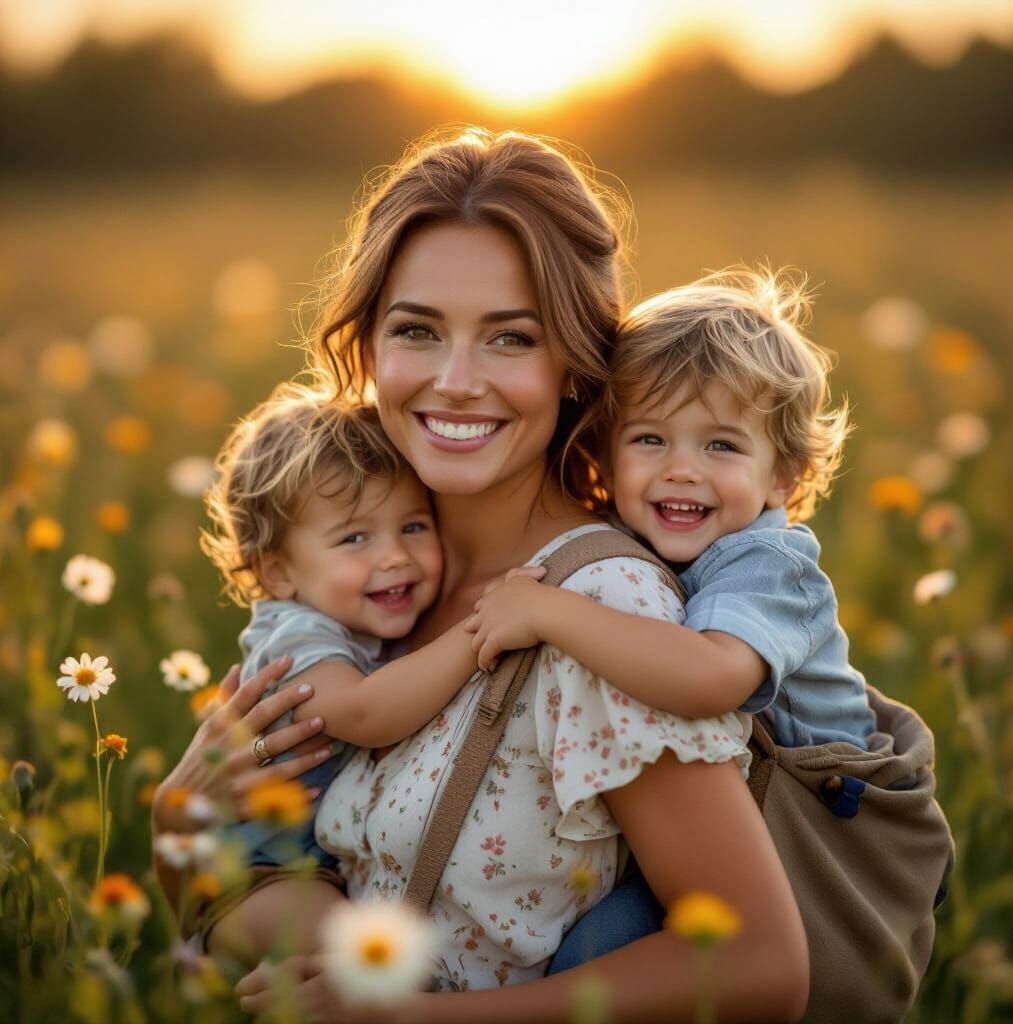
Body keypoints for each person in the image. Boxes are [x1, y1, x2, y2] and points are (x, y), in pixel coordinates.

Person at [152, 128, 809, 1022]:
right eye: (417, 330)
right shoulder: (363, 592)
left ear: (577, 363)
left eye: (510, 339)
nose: (457, 382)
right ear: (370, 347)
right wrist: (179, 832)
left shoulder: (596, 608)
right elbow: (258, 924)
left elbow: (757, 968)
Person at [467, 269, 877, 751]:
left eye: (721, 445)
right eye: (650, 439)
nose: (681, 470)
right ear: (607, 462)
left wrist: (548, 612)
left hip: (830, 803)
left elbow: (709, 679)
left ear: (782, 476)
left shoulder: (767, 564)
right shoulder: (622, 531)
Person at [194, 388, 484, 962]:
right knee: (361, 962)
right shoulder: (296, 637)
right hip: (261, 878)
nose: (395, 556)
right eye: (355, 537)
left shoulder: (363, 622)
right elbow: (362, 714)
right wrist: (477, 633)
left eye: (414, 526)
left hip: (320, 864)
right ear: (278, 574)